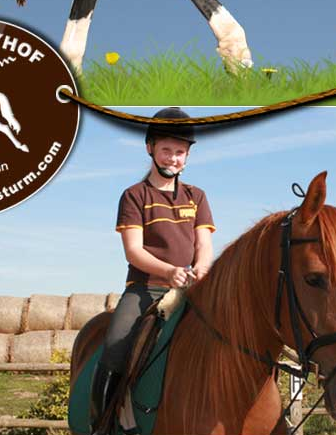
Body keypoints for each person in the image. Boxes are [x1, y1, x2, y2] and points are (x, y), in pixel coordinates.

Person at [89, 107, 215, 435]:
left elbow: (204, 244)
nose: (173, 158)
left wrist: (201, 268)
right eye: (166, 150)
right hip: (145, 288)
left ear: (187, 157)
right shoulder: (134, 195)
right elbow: (134, 250)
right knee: (116, 346)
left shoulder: (197, 196)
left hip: (188, 287)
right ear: (150, 149)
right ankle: (102, 423)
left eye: (180, 152)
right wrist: (170, 270)